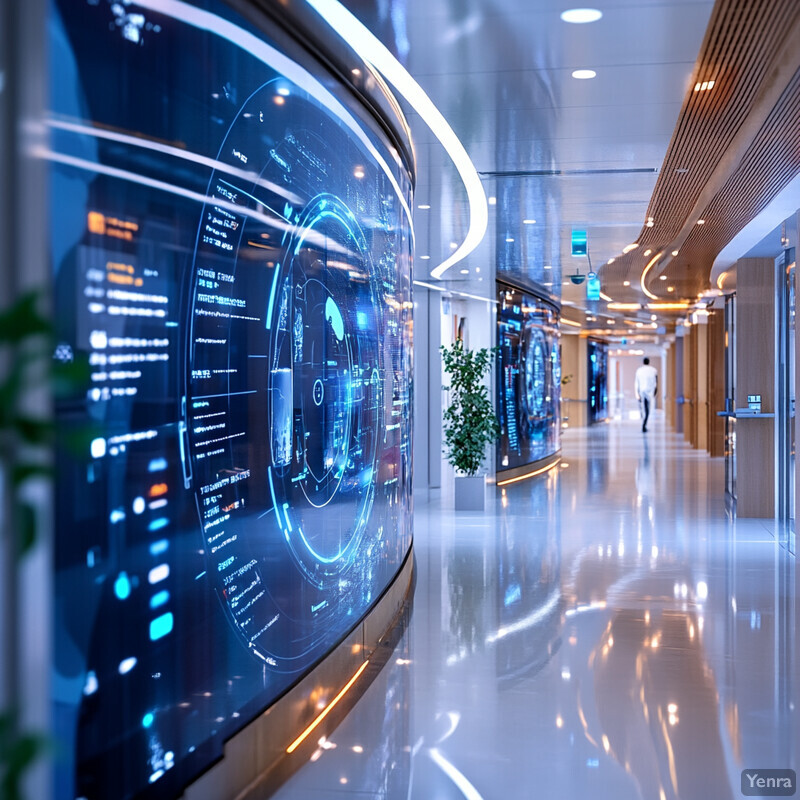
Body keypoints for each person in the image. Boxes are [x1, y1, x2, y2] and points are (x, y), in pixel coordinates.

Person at [634, 357, 658, 433]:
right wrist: (655, 391)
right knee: (647, 409)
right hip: (650, 392)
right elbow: (656, 383)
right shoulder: (654, 370)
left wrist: (637, 393)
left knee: (643, 408)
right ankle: (644, 424)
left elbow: (636, 383)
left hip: (642, 391)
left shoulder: (639, 371)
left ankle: (644, 423)